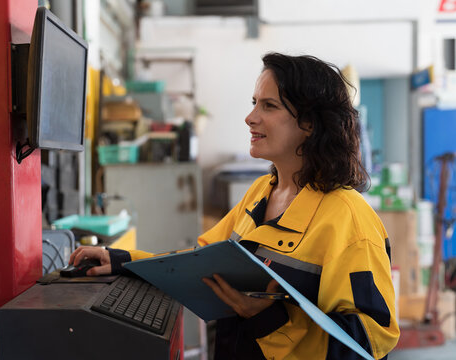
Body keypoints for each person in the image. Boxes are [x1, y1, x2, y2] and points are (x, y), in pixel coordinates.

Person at [70, 52, 400, 359]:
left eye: (269, 106)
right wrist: (125, 261)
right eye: (254, 102)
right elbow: (198, 264)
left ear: (310, 124)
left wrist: (270, 320)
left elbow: (372, 342)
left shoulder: (349, 218)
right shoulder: (260, 192)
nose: (250, 117)